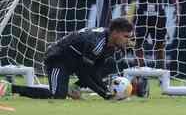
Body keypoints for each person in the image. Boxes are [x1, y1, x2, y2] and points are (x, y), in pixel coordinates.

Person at [0, 18, 133, 99]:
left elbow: (95, 72)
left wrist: (106, 91)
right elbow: (84, 75)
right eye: (125, 36)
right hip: (59, 58)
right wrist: (105, 95)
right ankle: (10, 88)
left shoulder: (110, 45)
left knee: (105, 67)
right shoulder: (96, 43)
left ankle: (72, 88)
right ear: (115, 33)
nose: (127, 40)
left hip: (75, 61)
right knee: (57, 96)